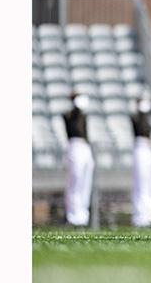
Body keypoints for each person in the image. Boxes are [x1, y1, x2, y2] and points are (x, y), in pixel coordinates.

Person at [63, 92, 94, 227]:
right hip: (74, 146)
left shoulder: (83, 116)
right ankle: (73, 216)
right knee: (75, 183)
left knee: (85, 183)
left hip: (85, 147)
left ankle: (82, 217)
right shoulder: (70, 115)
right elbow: (72, 125)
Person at [131, 95, 151, 227]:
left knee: (148, 185)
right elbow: (139, 125)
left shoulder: (148, 117)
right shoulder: (137, 117)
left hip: (148, 149)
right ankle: (140, 216)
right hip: (140, 149)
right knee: (140, 184)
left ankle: (148, 215)